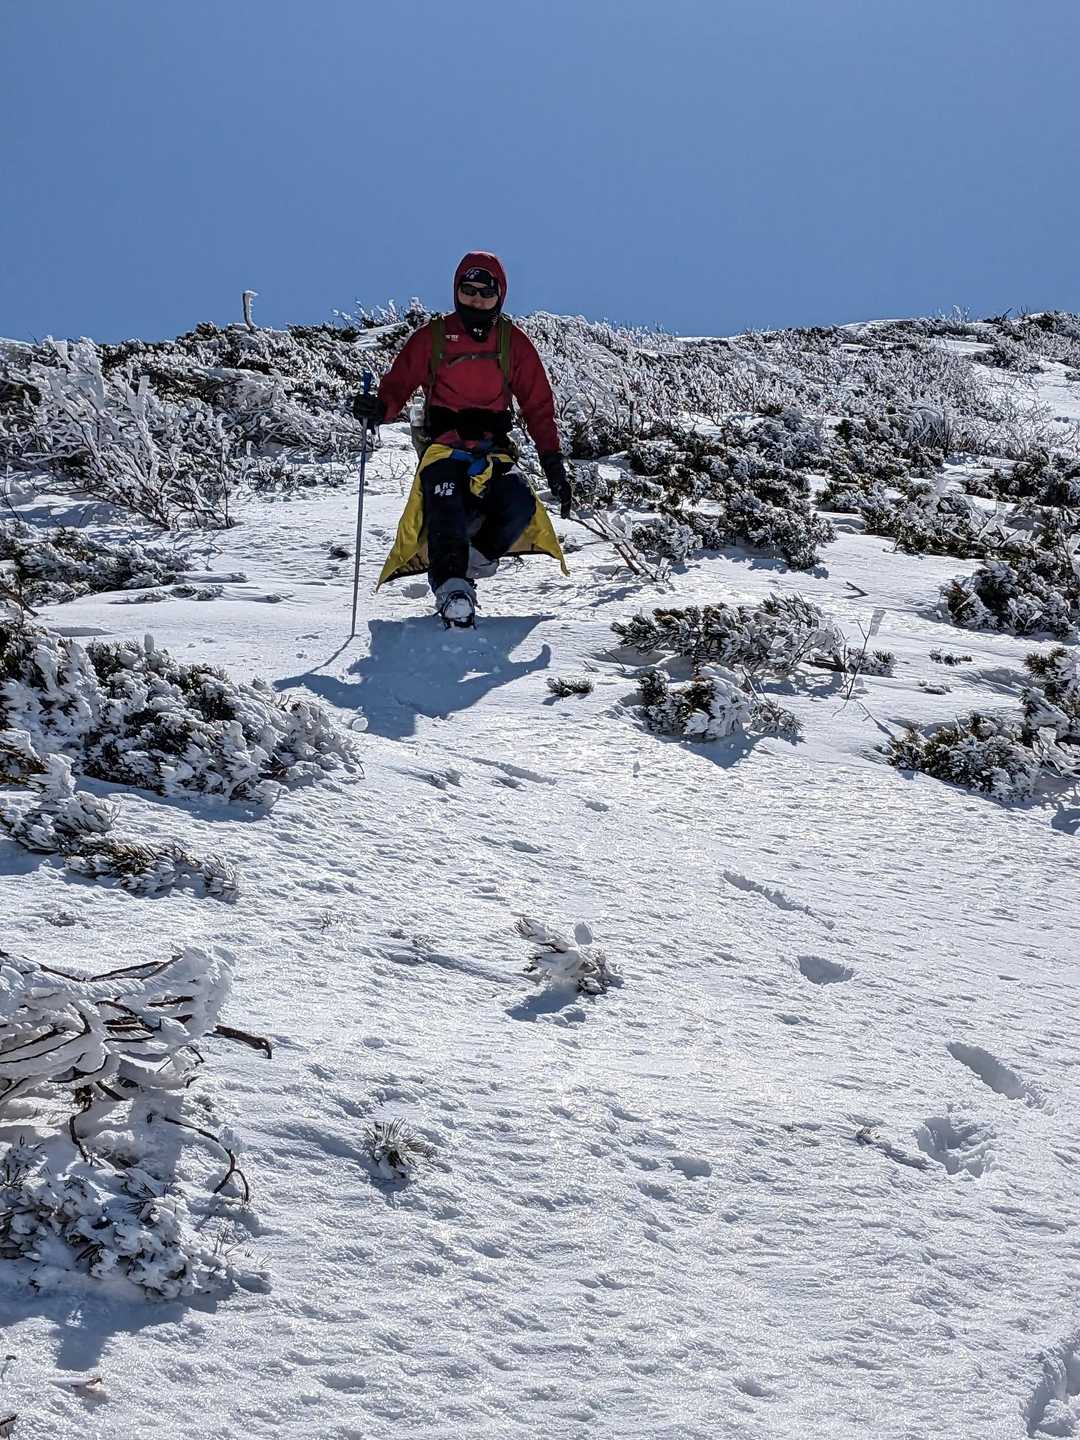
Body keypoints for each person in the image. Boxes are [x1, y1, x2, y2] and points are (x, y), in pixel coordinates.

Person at [353, 250, 572, 627]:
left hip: (494, 453)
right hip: (443, 449)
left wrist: (553, 463)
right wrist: (379, 409)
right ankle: (453, 590)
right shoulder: (433, 337)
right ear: (456, 290)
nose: (477, 299)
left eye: (486, 293)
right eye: (468, 290)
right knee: (445, 499)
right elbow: (398, 384)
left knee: (520, 502)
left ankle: (469, 561)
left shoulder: (513, 343)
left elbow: (538, 405)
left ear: (500, 295)